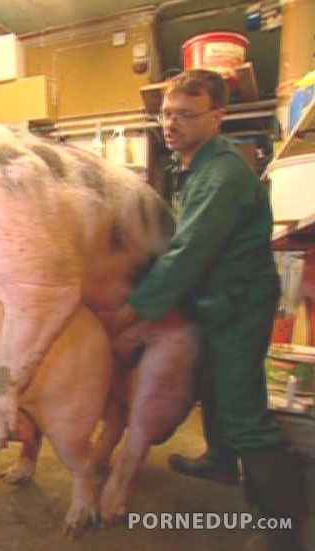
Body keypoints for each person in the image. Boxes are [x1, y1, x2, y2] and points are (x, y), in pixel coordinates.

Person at [109, 69, 308, 550]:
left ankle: (284, 527)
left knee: (243, 409)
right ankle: (220, 462)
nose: (170, 124)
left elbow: (188, 253)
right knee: (213, 386)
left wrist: (135, 311)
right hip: (218, 297)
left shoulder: (221, 174)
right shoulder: (195, 166)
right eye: (166, 114)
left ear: (217, 117)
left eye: (184, 115)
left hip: (237, 304)